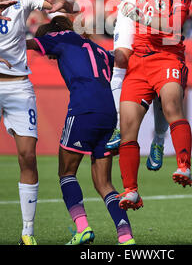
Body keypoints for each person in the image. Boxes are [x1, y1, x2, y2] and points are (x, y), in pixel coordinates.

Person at [108, 0, 192, 210]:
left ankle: (183, 165)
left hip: (168, 59)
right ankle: (130, 190)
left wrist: (140, 16)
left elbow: (171, 28)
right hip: (139, 63)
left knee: (171, 105)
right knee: (127, 126)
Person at [27, 15, 135, 246]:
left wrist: (8, 37)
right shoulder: (96, 48)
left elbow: (30, 43)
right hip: (108, 114)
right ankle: (126, 236)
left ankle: (83, 228)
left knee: (66, 172)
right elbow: (121, 62)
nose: (49, 56)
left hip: (83, 110)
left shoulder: (60, 37)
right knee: (104, 183)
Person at [0, 0, 76, 245]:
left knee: (27, 156)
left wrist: (63, 4)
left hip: (18, 85)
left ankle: (27, 233)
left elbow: (66, 10)